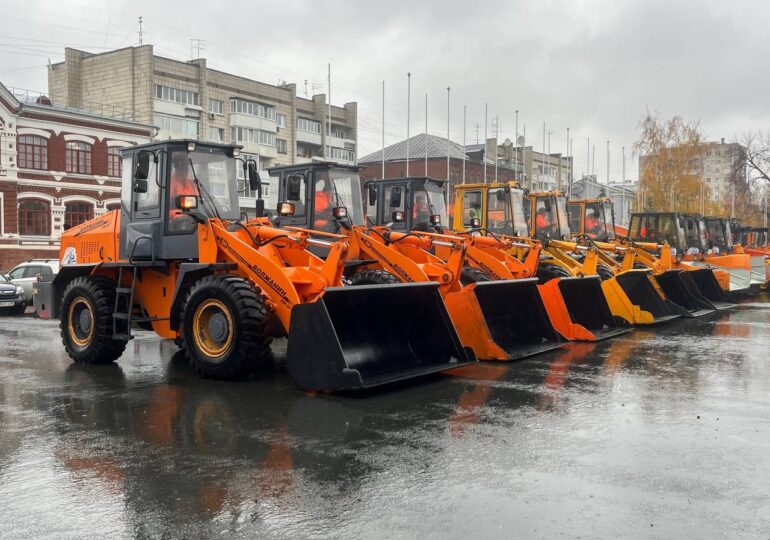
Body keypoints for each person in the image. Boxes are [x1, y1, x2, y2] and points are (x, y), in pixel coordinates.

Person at [168, 152, 199, 230]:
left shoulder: (191, 183)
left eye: (186, 169)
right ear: (177, 169)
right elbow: (166, 204)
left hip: (191, 213)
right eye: (183, 169)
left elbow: (198, 198)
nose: (185, 172)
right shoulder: (169, 183)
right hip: (175, 214)